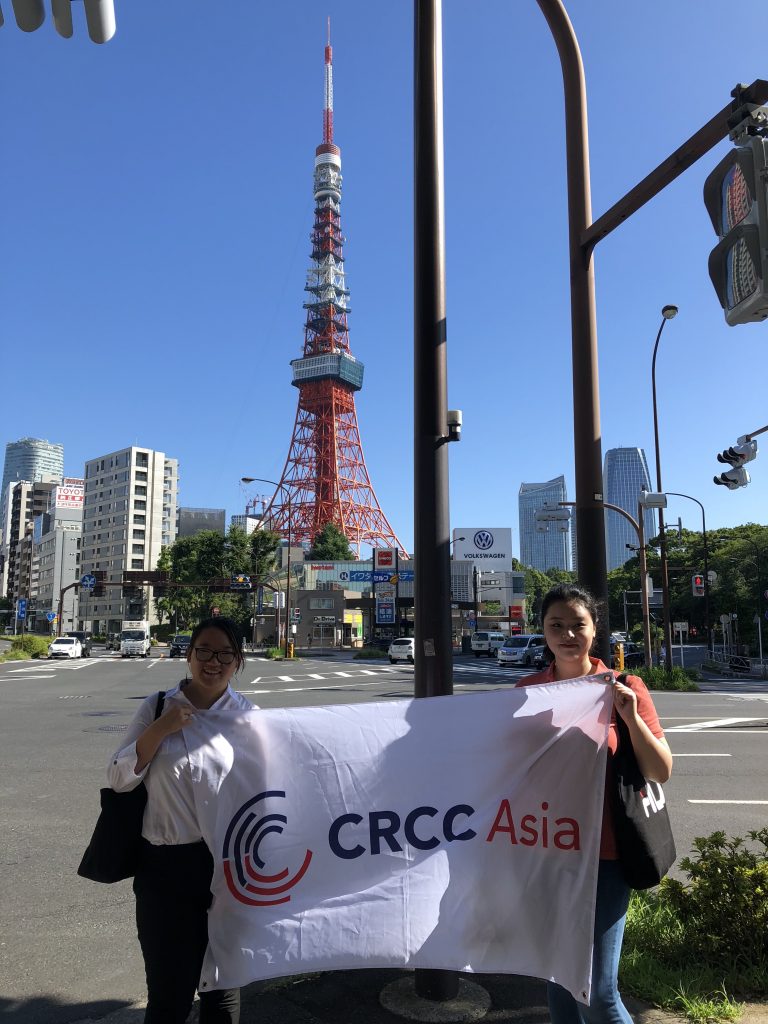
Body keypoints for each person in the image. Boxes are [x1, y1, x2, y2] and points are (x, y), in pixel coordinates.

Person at [517, 584, 672, 1024]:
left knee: (599, 994)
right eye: (556, 625)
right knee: (558, 982)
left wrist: (629, 717)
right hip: (544, 849)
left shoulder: (625, 686)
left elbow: (660, 771)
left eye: (577, 624)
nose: (567, 634)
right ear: (542, 630)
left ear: (595, 627)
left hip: (605, 853)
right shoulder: (526, 692)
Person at [108, 616, 253, 1024]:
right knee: (169, 997)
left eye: (226, 653)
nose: (214, 661)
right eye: (204, 650)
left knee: (223, 992)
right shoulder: (158, 705)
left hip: (228, 869)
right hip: (165, 870)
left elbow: (266, 790)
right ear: (188, 655)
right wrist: (161, 729)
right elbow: (119, 779)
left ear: (238, 662)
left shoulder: (249, 718)